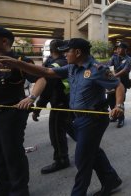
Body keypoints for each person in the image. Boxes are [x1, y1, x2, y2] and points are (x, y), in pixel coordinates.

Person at [0, 38, 125, 196]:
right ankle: (111, 179)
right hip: (76, 117)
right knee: (91, 150)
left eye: (67, 51)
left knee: (82, 159)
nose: (65, 54)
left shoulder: (97, 69)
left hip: (93, 120)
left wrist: (119, 106)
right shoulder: (71, 66)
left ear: (77, 52)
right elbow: (46, 72)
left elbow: (119, 86)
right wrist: (17, 64)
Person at [0, 26, 38, 196]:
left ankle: (19, 190)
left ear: (4, 41)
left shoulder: (20, 60)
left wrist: (31, 98)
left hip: (10, 115)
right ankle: (3, 186)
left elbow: (41, 78)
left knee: (12, 154)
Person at [26, 39, 75, 174]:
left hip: (60, 103)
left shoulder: (58, 64)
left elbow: (47, 88)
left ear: (52, 50)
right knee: (71, 128)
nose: (66, 52)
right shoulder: (53, 61)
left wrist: (38, 107)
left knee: (56, 132)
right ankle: (89, 147)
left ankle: (61, 159)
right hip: (65, 101)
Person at [107, 42, 131, 128]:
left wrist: (115, 75)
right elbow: (110, 67)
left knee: (120, 102)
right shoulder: (114, 57)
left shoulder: (129, 59)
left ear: (125, 49)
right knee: (110, 100)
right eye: (117, 48)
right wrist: (110, 75)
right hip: (113, 82)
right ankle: (114, 116)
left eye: (120, 48)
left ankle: (121, 118)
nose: (118, 49)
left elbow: (125, 70)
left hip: (122, 83)